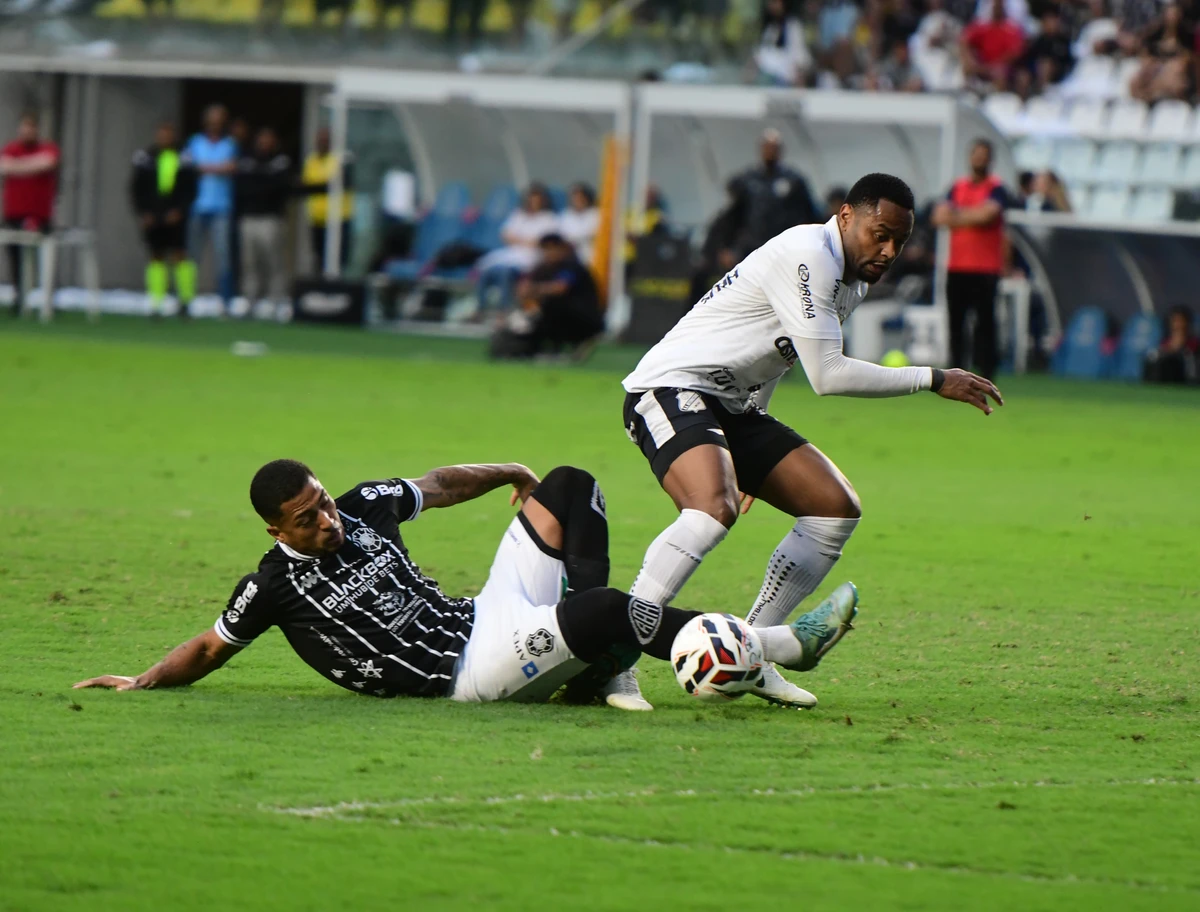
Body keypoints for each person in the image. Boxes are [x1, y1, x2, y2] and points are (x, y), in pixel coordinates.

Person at [608, 173, 1002, 712]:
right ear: (846, 216)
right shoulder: (808, 254)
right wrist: (933, 378)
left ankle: (750, 657)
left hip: (733, 405)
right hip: (670, 386)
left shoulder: (851, 277)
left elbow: (782, 352)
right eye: (879, 234)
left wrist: (749, 444)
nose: (887, 251)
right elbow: (828, 374)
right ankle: (617, 662)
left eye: (899, 242)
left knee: (833, 509)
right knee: (711, 510)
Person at [72, 460, 859, 705]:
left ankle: (608, 666)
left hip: (486, 613)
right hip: (468, 674)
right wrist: (141, 682)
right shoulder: (272, 585)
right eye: (307, 519)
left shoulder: (361, 508)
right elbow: (211, 648)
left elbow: (438, 484)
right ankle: (781, 647)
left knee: (569, 485)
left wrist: (511, 473)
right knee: (613, 606)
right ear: (275, 532)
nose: (328, 521)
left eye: (322, 502)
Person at [932, 138, 1013, 380]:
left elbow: (987, 216)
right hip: (957, 266)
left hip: (985, 267)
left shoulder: (997, 188)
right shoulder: (957, 187)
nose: (979, 159)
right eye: (975, 154)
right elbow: (938, 217)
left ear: (990, 159)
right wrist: (969, 216)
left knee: (985, 324)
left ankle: (987, 372)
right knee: (956, 323)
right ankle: (956, 371)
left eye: (983, 155)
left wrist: (956, 217)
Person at [130, 122, 198, 318]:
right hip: (153, 215)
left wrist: (180, 210)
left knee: (180, 255)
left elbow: (190, 189)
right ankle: (156, 301)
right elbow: (136, 188)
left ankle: (185, 301)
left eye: (168, 134)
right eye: (161, 134)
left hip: (176, 216)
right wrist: (143, 212)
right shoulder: (145, 158)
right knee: (155, 256)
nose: (164, 138)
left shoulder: (184, 157)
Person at [1, 113, 59, 316]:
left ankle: (48, 300)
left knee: (43, 255)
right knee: (15, 255)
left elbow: (47, 162)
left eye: (31, 128)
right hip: (13, 215)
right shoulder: (11, 148)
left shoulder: (48, 148)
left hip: (39, 215)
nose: (27, 133)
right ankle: (20, 298)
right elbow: (4, 165)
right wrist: (30, 166)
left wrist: (18, 166)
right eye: (24, 128)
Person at [730, 129, 820, 258]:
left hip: (785, 246)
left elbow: (809, 211)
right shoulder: (748, 180)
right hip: (754, 246)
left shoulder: (794, 180)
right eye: (767, 147)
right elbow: (734, 215)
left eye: (774, 148)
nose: (770, 151)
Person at [185, 105, 238, 313]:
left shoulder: (230, 144)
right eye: (211, 120)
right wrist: (218, 168)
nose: (215, 124)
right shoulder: (195, 142)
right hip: (198, 206)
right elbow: (190, 168)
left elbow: (231, 167)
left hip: (221, 208)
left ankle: (225, 304)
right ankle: (186, 301)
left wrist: (206, 168)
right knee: (192, 257)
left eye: (219, 120)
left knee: (223, 257)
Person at [519, 233, 605, 358]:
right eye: (546, 249)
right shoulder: (542, 267)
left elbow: (560, 288)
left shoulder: (572, 265)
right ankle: (545, 349)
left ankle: (569, 345)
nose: (550, 253)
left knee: (553, 305)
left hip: (584, 318)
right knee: (533, 315)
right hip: (560, 316)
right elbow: (523, 288)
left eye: (553, 248)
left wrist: (534, 289)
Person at [235, 127, 292, 317]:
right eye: (262, 139)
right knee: (249, 262)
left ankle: (276, 301)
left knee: (273, 261)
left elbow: (278, 187)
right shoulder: (248, 159)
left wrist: (260, 183)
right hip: (249, 217)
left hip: (270, 218)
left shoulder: (280, 161)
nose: (264, 143)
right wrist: (261, 182)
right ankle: (250, 300)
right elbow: (243, 186)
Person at [300, 127, 355, 274]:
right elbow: (305, 187)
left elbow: (342, 184)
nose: (322, 143)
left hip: (338, 219)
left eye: (325, 140)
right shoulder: (311, 160)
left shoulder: (340, 159)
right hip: (318, 219)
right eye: (320, 140)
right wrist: (324, 185)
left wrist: (320, 186)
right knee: (318, 257)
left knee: (338, 259)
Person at [961, 0, 1026, 90]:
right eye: (995, 7)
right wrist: (970, 59)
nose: (996, 9)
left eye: (999, 7)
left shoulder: (1011, 29)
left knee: (1000, 73)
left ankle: (999, 101)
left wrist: (994, 65)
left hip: (1003, 68)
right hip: (983, 65)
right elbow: (964, 41)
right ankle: (968, 97)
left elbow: (1014, 53)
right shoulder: (983, 27)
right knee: (967, 67)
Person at [754, 0, 813, 86]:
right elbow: (763, 53)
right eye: (770, 3)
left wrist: (799, 76)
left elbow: (799, 53)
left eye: (775, 2)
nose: (772, 6)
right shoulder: (770, 27)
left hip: (789, 76)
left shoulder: (793, 25)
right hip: (771, 75)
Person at [557, 182, 600, 268]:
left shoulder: (597, 213)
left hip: (594, 254)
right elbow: (561, 237)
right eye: (575, 198)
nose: (578, 201)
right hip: (571, 256)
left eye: (581, 198)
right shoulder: (565, 216)